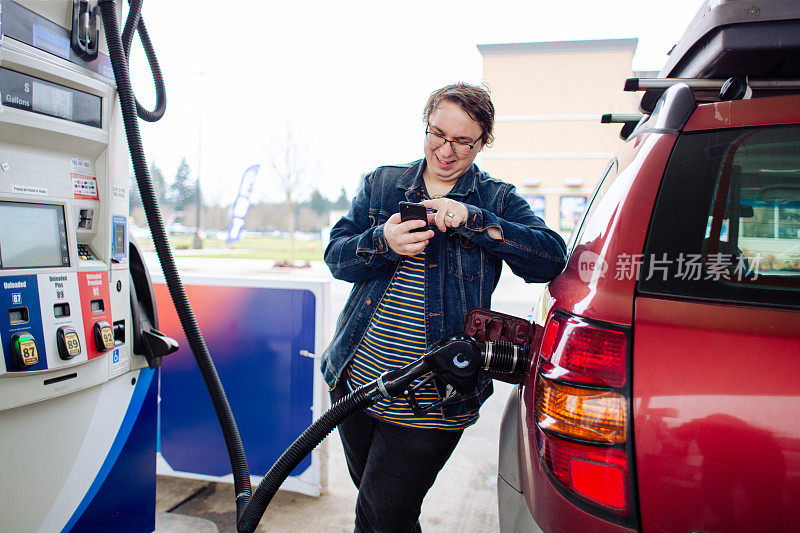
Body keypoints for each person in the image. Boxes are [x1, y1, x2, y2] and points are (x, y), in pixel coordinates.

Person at [321, 82, 567, 532]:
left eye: (462, 142)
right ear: (426, 124)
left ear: (482, 142)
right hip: (355, 383)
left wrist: (476, 221)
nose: (446, 151)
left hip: (432, 398)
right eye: (438, 134)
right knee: (385, 512)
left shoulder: (496, 199)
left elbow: (550, 258)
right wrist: (383, 242)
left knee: (379, 515)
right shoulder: (381, 184)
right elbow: (337, 257)